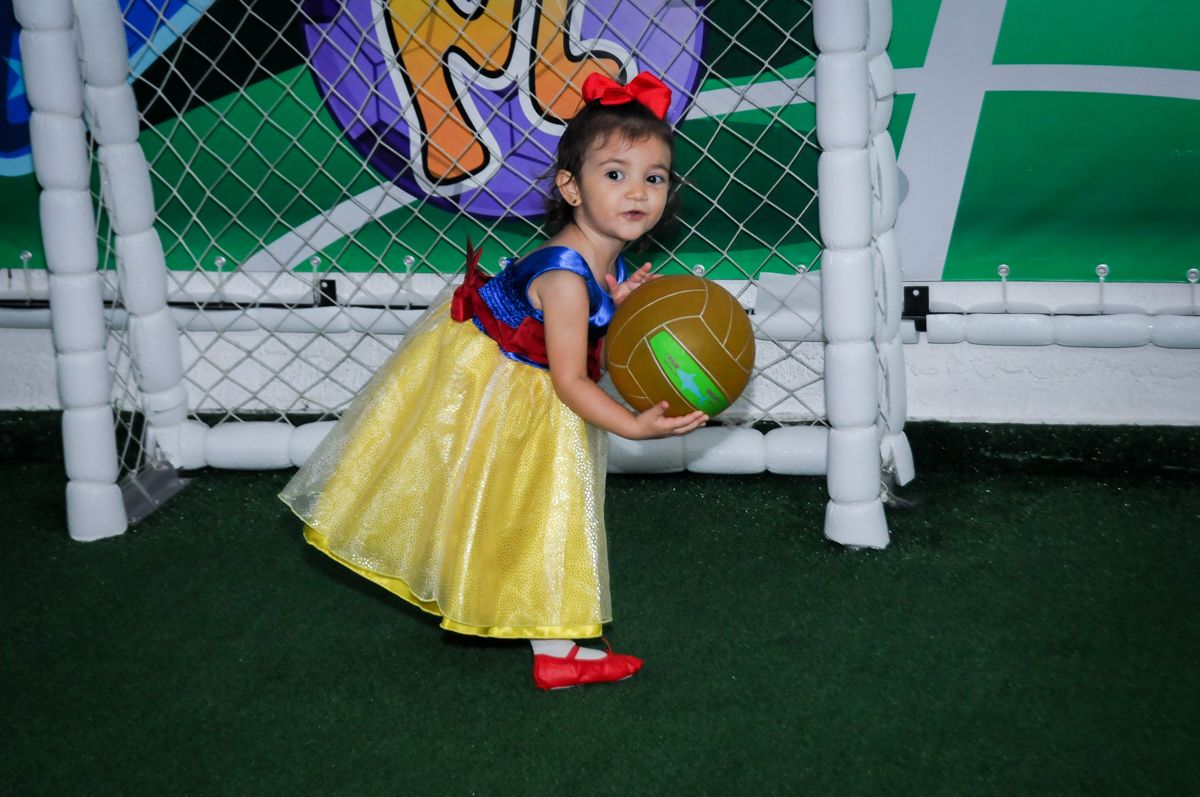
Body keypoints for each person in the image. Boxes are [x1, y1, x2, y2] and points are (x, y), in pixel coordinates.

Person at [280, 72, 706, 690]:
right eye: (615, 173)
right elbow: (571, 380)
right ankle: (554, 647)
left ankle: (555, 646)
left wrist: (615, 309)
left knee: (529, 513)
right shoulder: (566, 279)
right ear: (571, 186)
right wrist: (632, 427)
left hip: (520, 385)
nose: (637, 191)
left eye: (655, 177)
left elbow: (583, 345)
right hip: (511, 397)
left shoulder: (594, 263)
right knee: (534, 513)